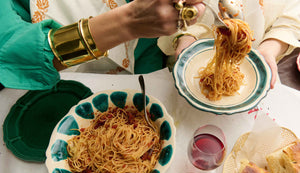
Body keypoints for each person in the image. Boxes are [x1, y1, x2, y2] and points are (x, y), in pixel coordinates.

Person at [0, 0, 206, 90]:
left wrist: (187, 33)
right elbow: (14, 55)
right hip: (55, 98)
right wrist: (126, 23)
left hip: (152, 82)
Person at [158, 0, 300, 89]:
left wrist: (270, 48)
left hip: (254, 68)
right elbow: (169, 8)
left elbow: (291, 21)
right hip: (186, 60)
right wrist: (186, 36)